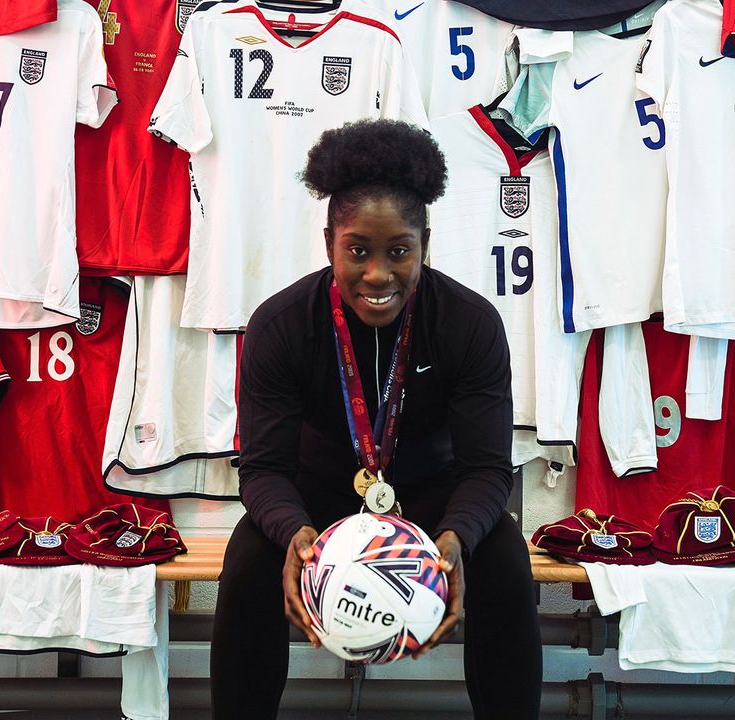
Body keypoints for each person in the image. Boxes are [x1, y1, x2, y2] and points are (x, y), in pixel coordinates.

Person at [210, 119, 543, 719]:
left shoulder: (471, 325)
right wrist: (293, 534)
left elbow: (489, 470)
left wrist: (454, 539)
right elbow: (262, 471)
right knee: (247, 566)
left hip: (433, 498)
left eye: (399, 252)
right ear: (329, 243)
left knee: (505, 562)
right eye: (357, 250)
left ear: (426, 244)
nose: (378, 275)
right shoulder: (280, 325)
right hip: (317, 499)